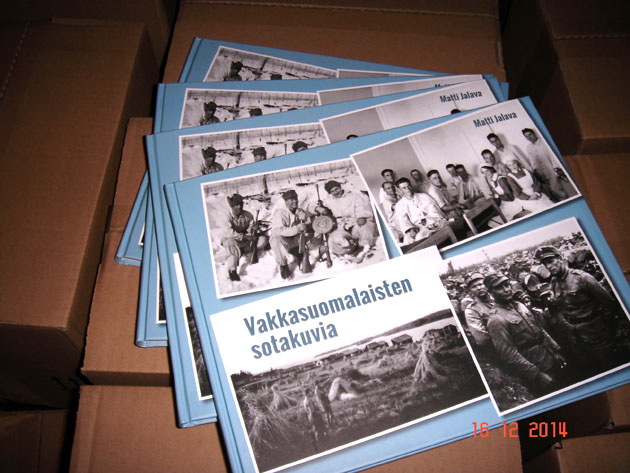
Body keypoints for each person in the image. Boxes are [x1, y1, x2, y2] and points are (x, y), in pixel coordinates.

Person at [535, 245, 626, 376]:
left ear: (560, 259)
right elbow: (561, 307)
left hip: (595, 332)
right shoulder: (554, 282)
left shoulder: (582, 278)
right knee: (591, 370)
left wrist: (604, 327)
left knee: (609, 366)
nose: (548, 266)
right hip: (575, 336)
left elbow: (609, 304)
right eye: (545, 264)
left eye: (550, 261)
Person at [484, 273, 566, 395]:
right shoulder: (496, 320)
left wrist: (556, 350)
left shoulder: (520, 305)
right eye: (500, 288)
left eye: (507, 285)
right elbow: (509, 354)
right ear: (491, 292)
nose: (506, 289)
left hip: (551, 358)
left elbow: (539, 329)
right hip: (537, 368)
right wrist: (537, 374)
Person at [318, 180, 377, 257]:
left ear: (340, 187)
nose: (336, 192)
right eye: (332, 191)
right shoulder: (328, 201)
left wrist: (361, 216)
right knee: (333, 239)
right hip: (342, 227)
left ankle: (365, 247)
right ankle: (349, 250)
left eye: (336, 189)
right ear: (330, 193)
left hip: (355, 222)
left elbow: (361, 206)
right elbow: (312, 205)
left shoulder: (353, 196)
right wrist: (317, 208)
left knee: (366, 226)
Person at [219, 194, 268, 281]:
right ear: (232, 206)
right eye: (236, 205)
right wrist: (244, 236)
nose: (239, 207)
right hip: (231, 239)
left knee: (262, 240)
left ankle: (244, 250)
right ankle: (232, 271)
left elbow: (250, 228)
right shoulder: (226, 215)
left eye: (241, 204)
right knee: (231, 242)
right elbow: (228, 232)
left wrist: (253, 231)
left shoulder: (248, 215)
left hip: (244, 240)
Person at [270, 190, 311, 279]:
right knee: (276, 239)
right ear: (286, 202)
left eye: (295, 199)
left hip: (299, 240)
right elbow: (279, 230)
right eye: (291, 200)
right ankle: (283, 265)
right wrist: (297, 229)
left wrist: (305, 219)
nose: (295, 201)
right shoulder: (280, 213)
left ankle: (301, 254)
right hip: (286, 241)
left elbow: (309, 224)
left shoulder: (300, 211)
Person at [393, 177, 448, 244]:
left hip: (432, 220)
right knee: (408, 240)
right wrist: (410, 229)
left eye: (409, 186)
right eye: (404, 188)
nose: (408, 189)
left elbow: (433, 209)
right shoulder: (399, 205)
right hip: (416, 226)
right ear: (399, 190)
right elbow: (403, 220)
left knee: (420, 237)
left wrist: (428, 219)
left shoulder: (424, 196)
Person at [521, 128, 569, 201]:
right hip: (541, 172)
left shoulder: (544, 142)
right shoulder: (529, 148)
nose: (529, 137)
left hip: (551, 169)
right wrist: (536, 172)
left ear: (534, 134)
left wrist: (556, 167)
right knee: (549, 191)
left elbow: (553, 156)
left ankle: (566, 200)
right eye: (526, 136)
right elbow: (532, 161)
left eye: (530, 135)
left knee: (556, 188)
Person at [463, 272, 495, 349]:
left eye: (480, 284)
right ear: (470, 291)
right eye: (474, 287)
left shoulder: (498, 297)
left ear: (486, 285)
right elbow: (482, 339)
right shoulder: (471, 310)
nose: (478, 288)